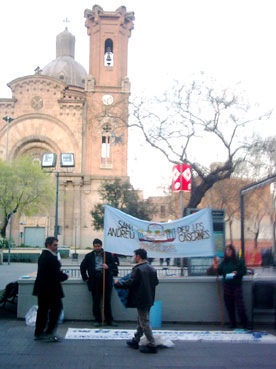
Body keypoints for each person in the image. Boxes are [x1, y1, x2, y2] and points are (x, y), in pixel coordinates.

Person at [114, 248, 159, 354]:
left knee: (144, 321)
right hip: (149, 298)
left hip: (140, 298)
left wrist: (118, 283)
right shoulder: (152, 269)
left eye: (134, 255)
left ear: (138, 256)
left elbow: (130, 282)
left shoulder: (138, 269)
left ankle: (152, 344)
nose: (134, 257)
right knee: (141, 320)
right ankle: (136, 340)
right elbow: (155, 282)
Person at [33, 236, 68, 342]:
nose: (57, 247)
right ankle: (49, 332)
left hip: (43, 289)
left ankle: (40, 332)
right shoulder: (50, 257)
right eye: (55, 245)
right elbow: (54, 274)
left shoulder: (44, 256)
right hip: (51, 290)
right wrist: (65, 276)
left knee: (43, 311)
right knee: (55, 309)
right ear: (48, 245)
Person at [80, 238, 116, 327]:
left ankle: (109, 320)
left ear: (101, 246)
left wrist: (108, 266)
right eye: (95, 246)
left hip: (105, 279)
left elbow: (114, 266)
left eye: (98, 246)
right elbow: (82, 267)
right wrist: (86, 278)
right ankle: (97, 319)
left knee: (107, 301)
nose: (97, 248)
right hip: (94, 279)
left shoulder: (107, 255)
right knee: (96, 301)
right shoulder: (89, 256)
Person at [212, 244, 248, 329]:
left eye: (230, 250)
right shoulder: (224, 262)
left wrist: (237, 273)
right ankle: (233, 323)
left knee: (240, 306)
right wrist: (215, 267)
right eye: (227, 250)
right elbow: (219, 271)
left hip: (236, 286)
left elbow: (244, 271)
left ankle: (245, 323)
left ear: (233, 251)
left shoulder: (239, 261)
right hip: (227, 286)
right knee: (229, 306)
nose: (228, 252)